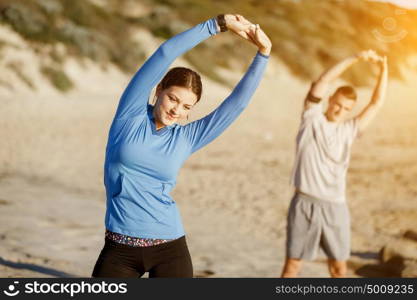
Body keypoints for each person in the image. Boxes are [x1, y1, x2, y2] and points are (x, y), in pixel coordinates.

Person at [92, 14, 272, 278]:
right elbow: (165, 53)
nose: (176, 110)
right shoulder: (129, 116)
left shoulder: (187, 137)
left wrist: (263, 54)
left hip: (170, 249)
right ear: (158, 91)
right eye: (172, 99)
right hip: (119, 248)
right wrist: (216, 25)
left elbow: (237, 104)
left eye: (186, 106)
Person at [281, 50, 388, 278]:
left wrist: (384, 68)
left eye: (346, 109)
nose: (340, 111)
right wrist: (355, 58)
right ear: (330, 100)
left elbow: (376, 102)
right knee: (292, 266)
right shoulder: (311, 118)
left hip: (335, 206)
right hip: (304, 203)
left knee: (339, 269)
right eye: (338, 104)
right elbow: (323, 81)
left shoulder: (350, 130)